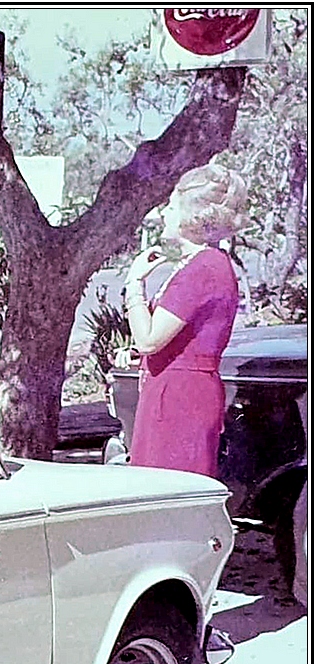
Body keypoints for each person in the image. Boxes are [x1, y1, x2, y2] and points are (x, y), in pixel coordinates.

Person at [120, 163, 247, 477]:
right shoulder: (204, 264)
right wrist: (140, 355)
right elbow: (181, 338)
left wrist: (134, 283)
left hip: (179, 399)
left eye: (171, 206)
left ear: (193, 216)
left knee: (166, 497)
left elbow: (148, 339)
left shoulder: (203, 268)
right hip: (177, 391)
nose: (163, 212)